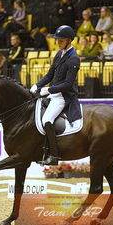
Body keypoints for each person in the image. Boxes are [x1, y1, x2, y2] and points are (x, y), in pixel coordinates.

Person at [29, 25, 81, 165]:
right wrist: (38, 85)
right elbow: (50, 74)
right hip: (54, 93)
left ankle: (53, 155)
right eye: (57, 40)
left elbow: (68, 84)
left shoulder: (74, 59)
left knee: (47, 120)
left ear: (69, 40)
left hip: (64, 96)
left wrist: (49, 90)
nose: (58, 42)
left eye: (61, 40)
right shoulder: (59, 54)